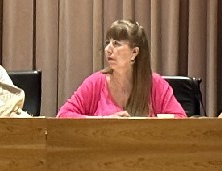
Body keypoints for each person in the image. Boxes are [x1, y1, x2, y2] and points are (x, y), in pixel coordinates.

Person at [56, 19, 186, 118]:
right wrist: (103, 121)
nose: (108, 49)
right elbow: (63, 115)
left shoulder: (155, 84)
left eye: (116, 44)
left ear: (134, 52)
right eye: (108, 43)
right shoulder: (95, 83)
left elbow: (180, 119)